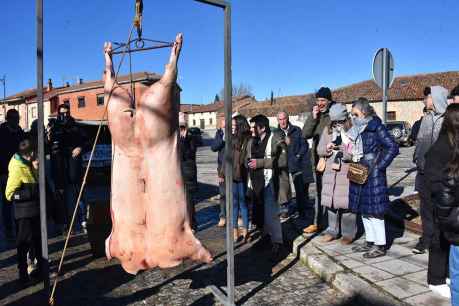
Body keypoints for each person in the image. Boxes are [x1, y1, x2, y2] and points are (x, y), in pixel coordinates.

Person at [348, 98, 399, 259]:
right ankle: (370, 241)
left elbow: (392, 147)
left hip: (373, 173)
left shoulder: (376, 127)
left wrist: (379, 166)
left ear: (363, 112)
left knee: (375, 212)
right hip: (358, 169)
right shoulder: (356, 128)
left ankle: (380, 244)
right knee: (364, 209)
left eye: (355, 114)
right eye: (351, 114)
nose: (353, 117)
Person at [423, 103, 459, 298]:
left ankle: (444, 275)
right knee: (437, 237)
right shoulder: (443, 144)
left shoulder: (452, 141)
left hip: (446, 202)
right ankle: (435, 279)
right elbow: (435, 177)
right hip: (438, 200)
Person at [412, 86, 449, 254]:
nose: (424, 100)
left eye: (427, 97)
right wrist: (416, 158)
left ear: (435, 98)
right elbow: (420, 141)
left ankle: (440, 242)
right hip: (423, 172)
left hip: (440, 175)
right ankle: (426, 240)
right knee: (426, 209)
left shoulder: (448, 120)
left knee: (439, 210)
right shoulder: (426, 119)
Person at [317, 103, 358, 244]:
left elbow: (355, 152)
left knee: (346, 204)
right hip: (330, 172)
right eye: (334, 122)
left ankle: (348, 234)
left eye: (340, 121)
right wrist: (327, 149)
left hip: (346, 172)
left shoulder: (352, 130)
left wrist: (342, 150)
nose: (337, 124)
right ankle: (332, 231)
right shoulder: (327, 130)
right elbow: (319, 149)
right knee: (331, 203)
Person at [5, 133, 43, 285]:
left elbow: (37, 181)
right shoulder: (16, 168)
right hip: (24, 213)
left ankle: (40, 269)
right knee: (23, 243)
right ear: (30, 153)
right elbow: (9, 194)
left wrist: (36, 169)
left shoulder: (30, 163)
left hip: (35, 210)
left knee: (37, 242)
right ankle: (23, 275)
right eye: (36, 152)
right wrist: (28, 193)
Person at [248, 114, 286, 258]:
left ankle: (277, 242)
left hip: (272, 182)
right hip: (257, 183)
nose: (251, 130)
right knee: (261, 213)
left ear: (262, 128)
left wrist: (261, 163)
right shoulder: (254, 141)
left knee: (272, 215)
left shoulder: (275, 138)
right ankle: (265, 239)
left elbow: (283, 160)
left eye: (254, 128)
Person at [48, 104, 89, 234]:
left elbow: (87, 141)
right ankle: (65, 223)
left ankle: (83, 219)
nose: (64, 115)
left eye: (66, 113)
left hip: (74, 164)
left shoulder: (76, 126)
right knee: (62, 196)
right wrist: (48, 137)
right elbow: (49, 145)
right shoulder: (54, 127)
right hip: (60, 165)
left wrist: (80, 148)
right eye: (61, 113)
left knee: (78, 192)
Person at [434, 103, 459, 303]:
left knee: (457, 281)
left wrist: (448, 228)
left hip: (458, 235)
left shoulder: (452, 162)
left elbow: (444, 204)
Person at [302, 87, 336, 234]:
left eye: (323, 100)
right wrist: (312, 117)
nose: (320, 103)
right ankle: (317, 223)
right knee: (319, 192)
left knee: (331, 192)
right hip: (317, 160)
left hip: (331, 159)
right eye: (318, 100)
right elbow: (305, 134)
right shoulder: (316, 115)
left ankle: (332, 225)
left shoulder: (334, 114)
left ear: (329, 101)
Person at [277, 111, 313, 224]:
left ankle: (303, 213)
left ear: (287, 119)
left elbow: (305, 145)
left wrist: (297, 155)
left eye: (284, 119)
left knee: (300, 189)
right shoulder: (276, 133)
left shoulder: (296, 130)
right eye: (280, 119)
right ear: (278, 120)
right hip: (282, 165)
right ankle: (286, 209)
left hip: (296, 164)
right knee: (283, 189)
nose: (282, 121)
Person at [0, 109, 25, 241]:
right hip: (5, 173)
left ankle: (19, 228)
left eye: (17, 118)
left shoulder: (20, 132)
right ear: (8, 119)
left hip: (19, 173)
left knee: (19, 200)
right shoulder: (2, 132)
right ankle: (9, 229)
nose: (16, 121)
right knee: (7, 202)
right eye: (14, 118)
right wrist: (2, 173)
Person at [230, 115, 250, 242]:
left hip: (243, 175)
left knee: (243, 204)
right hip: (233, 175)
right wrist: (222, 173)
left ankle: (245, 231)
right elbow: (228, 157)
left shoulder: (248, 139)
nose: (232, 127)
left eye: (234, 125)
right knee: (235, 204)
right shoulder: (232, 138)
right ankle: (234, 231)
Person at [179, 113, 199, 231]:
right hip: (179, 173)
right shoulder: (177, 139)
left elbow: (188, 154)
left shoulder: (191, 138)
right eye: (179, 127)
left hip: (188, 173)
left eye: (183, 127)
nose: (181, 130)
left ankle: (192, 224)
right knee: (181, 201)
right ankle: (186, 223)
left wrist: (184, 140)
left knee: (189, 202)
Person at [211, 118, 226, 227]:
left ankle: (237, 216)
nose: (225, 124)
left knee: (236, 194)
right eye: (223, 122)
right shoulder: (219, 133)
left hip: (234, 168)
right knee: (223, 194)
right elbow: (214, 147)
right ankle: (223, 216)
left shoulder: (235, 132)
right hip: (222, 169)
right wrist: (223, 139)